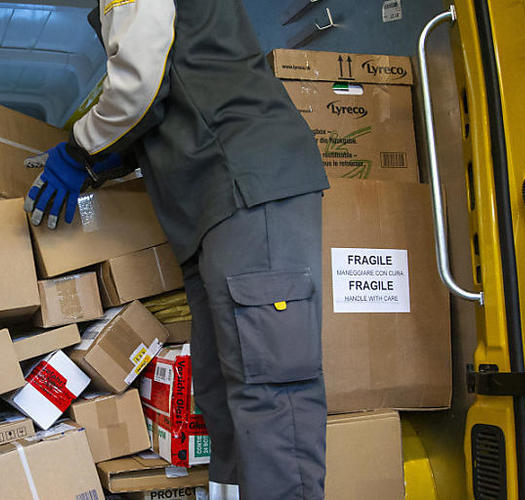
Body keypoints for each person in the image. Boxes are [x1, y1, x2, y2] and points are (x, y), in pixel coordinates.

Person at [24, 0, 329, 498]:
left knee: (269, 385)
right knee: (220, 386)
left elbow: (141, 86)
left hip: (244, 183)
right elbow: (165, 87)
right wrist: (101, 161)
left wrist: (81, 150)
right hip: (212, 204)